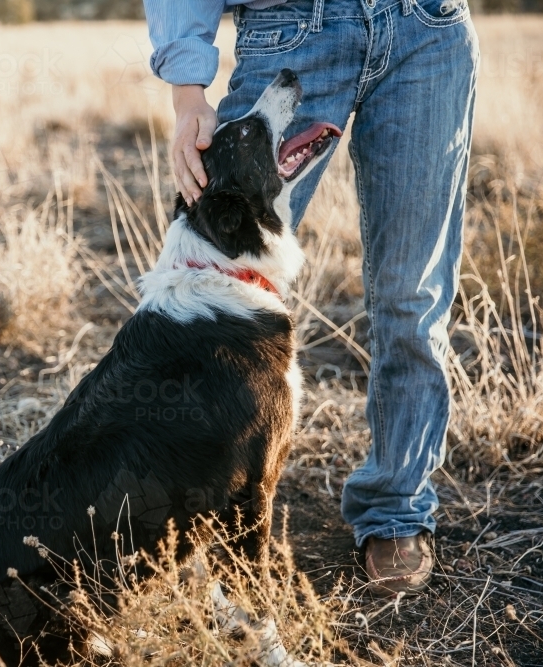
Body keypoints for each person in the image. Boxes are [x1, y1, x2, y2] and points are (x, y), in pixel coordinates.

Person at [143, 0, 478, 596]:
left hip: (427, 27)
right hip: (292, 27)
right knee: (206, 275)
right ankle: (163, 518)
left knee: (412, 299)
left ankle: (397, 509)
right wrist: (187, 90)